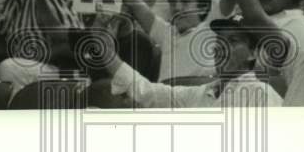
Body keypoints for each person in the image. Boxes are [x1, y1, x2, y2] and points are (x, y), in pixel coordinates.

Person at [97, 13, 282, 109]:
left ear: (253, 53)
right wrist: (108, 55)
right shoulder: (202, 93)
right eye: (219, 40)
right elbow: (148, 92)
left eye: (233, 41)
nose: (221, 46)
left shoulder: (262, 94)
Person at [123, 0, 216, 83]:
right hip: (163, 96)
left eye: (185, 2)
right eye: (173, 3)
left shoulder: (211, 32)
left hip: (195, 96)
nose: (177, 7)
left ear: (203, 8)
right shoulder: (167, 33)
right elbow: (133, 0)